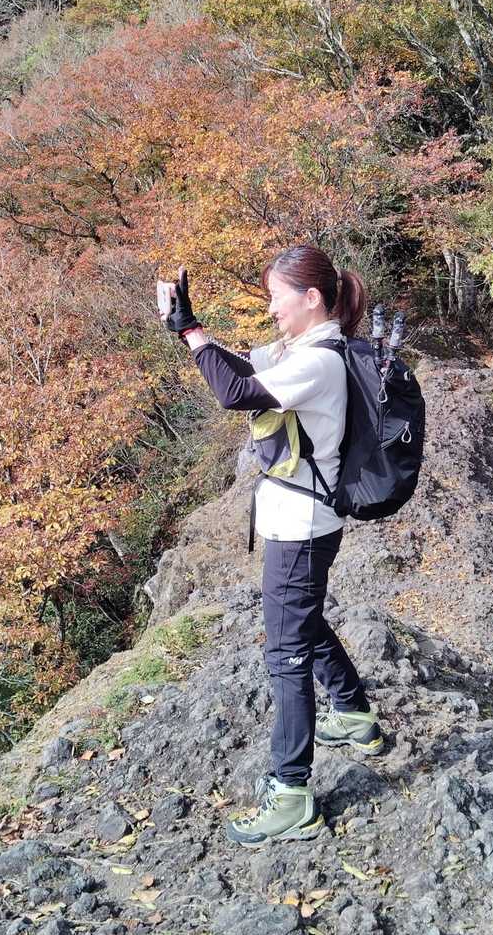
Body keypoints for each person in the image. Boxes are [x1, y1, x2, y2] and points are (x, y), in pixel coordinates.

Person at [158, 245, 386, 847]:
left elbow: (235, 393)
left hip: (301, 524)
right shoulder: (301, 349)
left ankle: (291, 795)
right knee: (301, 622)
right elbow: (237, 369)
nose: (270, 308)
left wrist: (191, 331)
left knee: (286, 652)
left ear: (311, 298)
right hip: (302, 518)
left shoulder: (318, 362)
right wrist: (189, 328)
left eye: (276, 297)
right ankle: (354, 714)